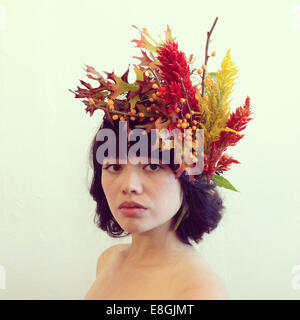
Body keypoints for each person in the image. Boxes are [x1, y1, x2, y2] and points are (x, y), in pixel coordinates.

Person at [70, 21, 253, 299]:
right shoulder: (109, 260)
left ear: (190, 176)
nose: (129, 185)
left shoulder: (197, 292)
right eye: (115, 166)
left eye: (153, 166)